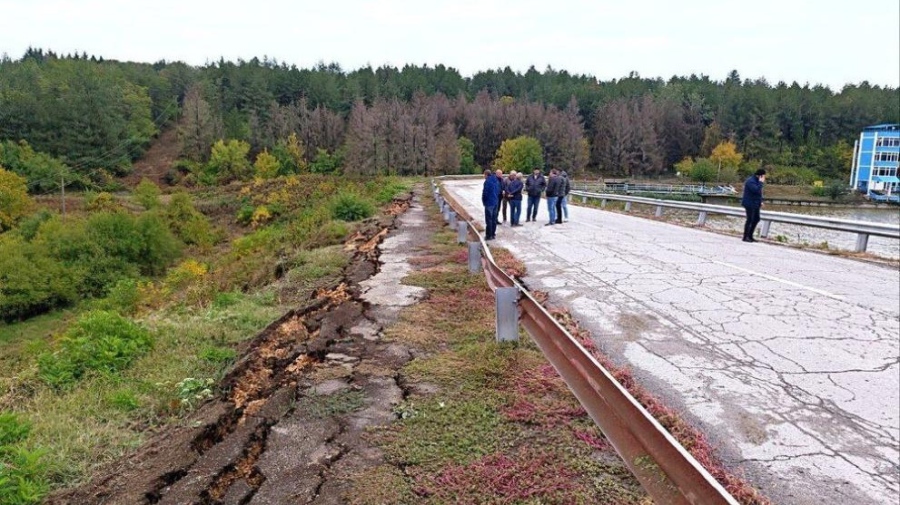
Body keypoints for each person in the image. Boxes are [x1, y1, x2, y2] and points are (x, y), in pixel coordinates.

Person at [741, 168, 766, 242]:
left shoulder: (757, 181)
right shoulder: (751, 181)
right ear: (760, 176)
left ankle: (750, 236)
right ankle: (745, 237)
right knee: (750, 220)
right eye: (764, 176)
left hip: (756, 203)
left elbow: (759, 193)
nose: (764, 178)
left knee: (756, 219)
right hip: (749, 203)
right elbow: (755, 190)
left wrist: (760, 201)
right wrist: (761, 183)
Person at [482, 169, 501, 240]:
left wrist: (484, 201)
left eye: (484, 175)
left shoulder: (487, 182)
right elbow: (498, 191)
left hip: (489, 203)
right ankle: (493, 234)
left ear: (486, 174)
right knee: (494, 219)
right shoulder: (496, 180)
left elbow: (485, 193)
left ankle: (488, 235)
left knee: (489, 220)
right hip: (496, 202)